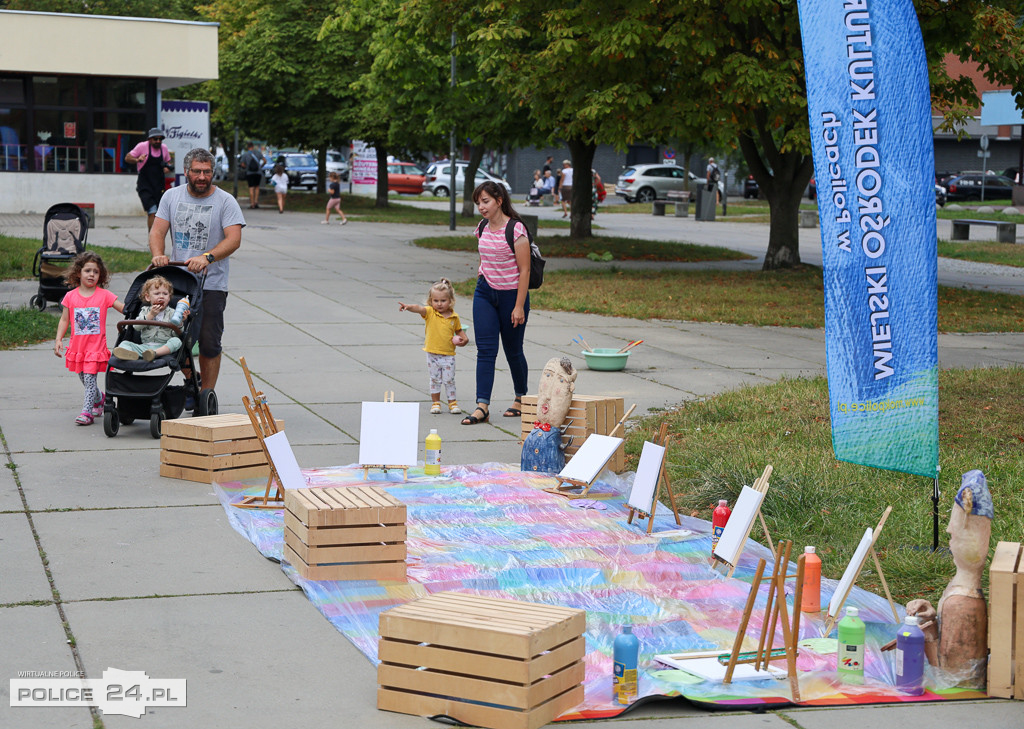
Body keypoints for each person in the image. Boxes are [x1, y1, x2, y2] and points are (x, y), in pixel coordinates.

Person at [149, 147, 245, 400]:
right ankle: (193, 382)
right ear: (186, 172)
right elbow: (157, 232)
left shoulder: (225, 201)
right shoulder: (171, 197)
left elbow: (234, 239)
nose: (202, 176)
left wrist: (207, 257)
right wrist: (158, 254)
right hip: (178, 280)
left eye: (206, 171)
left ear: (212, 172)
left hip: (212, 282)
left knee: (209, 341)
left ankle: (206, 395)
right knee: (173, 336)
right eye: (196, 171)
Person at [906, 470, 993, 688]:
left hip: (959, 692)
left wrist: (926, 634)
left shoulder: (961, 603)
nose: (948, 531)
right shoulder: (962, 589)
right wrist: (932, 616)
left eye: (954, 535)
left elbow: (949, 673)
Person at [461, 181, 531, 425]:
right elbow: (485, 258)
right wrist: (484, 277)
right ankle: (482, 406)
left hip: (512, 296)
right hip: (485, 294)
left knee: (513, 351)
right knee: (485, 351)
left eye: (486, 201)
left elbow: (524, 271)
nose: (481, 207)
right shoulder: (482, 227)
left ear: (499, 201)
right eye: (478, 202)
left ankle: (521, 398)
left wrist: (519, 306)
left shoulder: (516, 229)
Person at [53, 252, 126, 425]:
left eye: (96, 271)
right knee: (83, 377)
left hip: (95, 347)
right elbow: (64, 319)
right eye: (87, 270)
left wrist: (145, 308)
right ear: (79, 273)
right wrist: (58, 339)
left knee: (89, 378)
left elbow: (124, 309)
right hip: (78, 347)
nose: (91, 274)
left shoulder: (104, 295)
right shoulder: (71, 296)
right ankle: (99, 399)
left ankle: (87, 412)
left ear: (101, 275)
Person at [398, 278, 468, 415]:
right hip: (432, 354)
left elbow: (459, 330)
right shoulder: (430, 312)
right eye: (436, 301)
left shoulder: (454, 317)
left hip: (448, 355)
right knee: (435, 379)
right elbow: (419, 309)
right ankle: (435, 403)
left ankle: (452, 403)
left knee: (449, 380)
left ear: (450, 301)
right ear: (431, 301)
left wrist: (464, 339)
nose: (439, 304)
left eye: (443, 301)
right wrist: (408, 307)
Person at [111, 275, 190, 362]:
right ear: (148, 297)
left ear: (169, 297)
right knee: (125, 343)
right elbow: (136, 327)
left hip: (164, 347)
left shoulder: (173, 313)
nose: (161, 296)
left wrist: (180, 322)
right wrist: (150, 315)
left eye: (165, 294)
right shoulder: (145, 311)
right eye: (157, 293)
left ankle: (154, 354)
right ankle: (133, 354)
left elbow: (176, 334)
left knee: (176, 341)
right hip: (145, 347)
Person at [125, 127, 173, 231]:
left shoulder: (164, 148)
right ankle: (152, 238)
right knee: (152, 211)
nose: (158, 141)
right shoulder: (142, 146)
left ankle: (156, 237)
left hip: (159, 185)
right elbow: (127, 158)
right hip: (145, 185)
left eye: (160, 139)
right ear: (150, 139)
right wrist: (137, 159)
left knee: (160, 214)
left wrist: (167, 168)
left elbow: (168, 163)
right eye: (155, 139)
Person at [241, 142, 266, 209]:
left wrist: (247, 167)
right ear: (253, 146)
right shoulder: (258, 153)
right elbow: (265, 161)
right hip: (258, 173)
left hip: (250, 173)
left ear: (247, 147)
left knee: (251, 188)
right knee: (257, 187)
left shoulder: (245, 154)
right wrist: (260, 166)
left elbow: (242, 164)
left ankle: (252, 204)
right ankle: (256, 202)